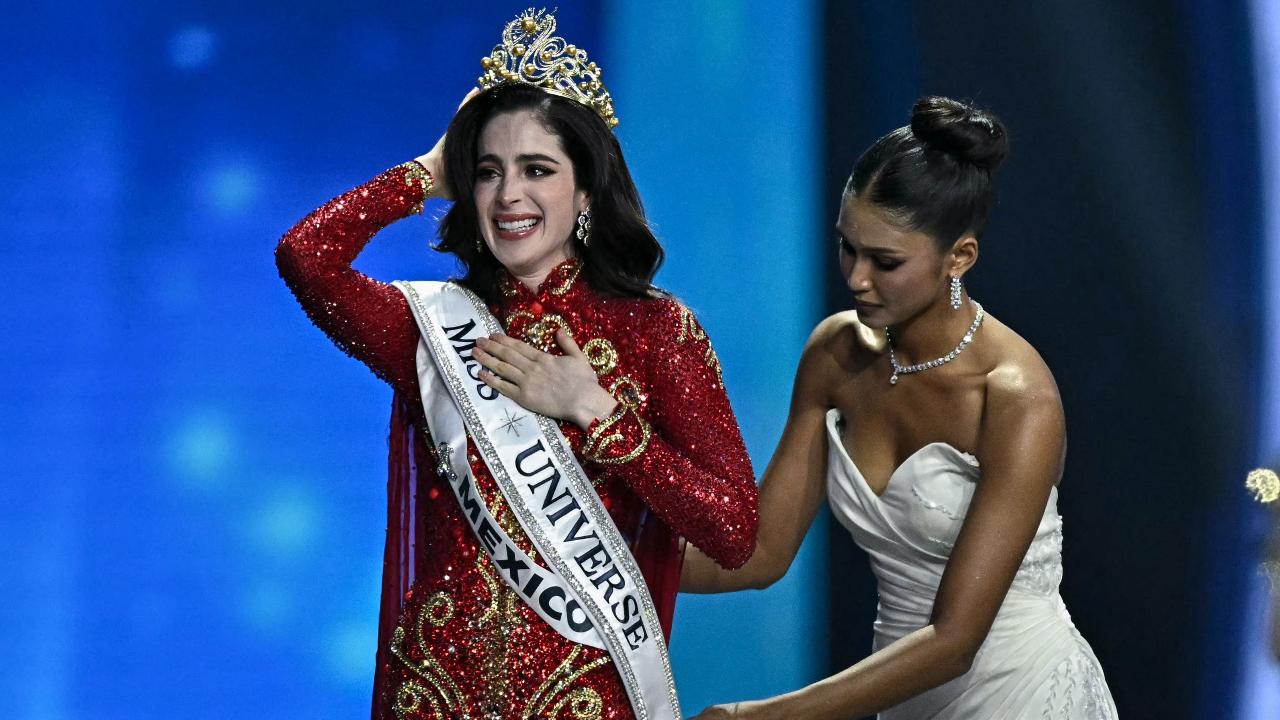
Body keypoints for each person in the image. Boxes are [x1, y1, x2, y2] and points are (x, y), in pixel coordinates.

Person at [274, 9, 758, 720]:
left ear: (586, 189)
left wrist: (599, 414)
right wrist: (424, 174)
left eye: (537, 170)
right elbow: (305, 258)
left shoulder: (657, 332)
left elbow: (734, 531)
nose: (508, 196)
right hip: (437, 696)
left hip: (583, 700)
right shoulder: (431, 328)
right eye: (487, 173)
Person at [682, 96, 1118, 719]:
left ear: (959, 257)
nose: (856, 278)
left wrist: (762, 716)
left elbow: (954, 642)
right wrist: (596, 564)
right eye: (847, 248)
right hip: (902, 694)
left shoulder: (1016, 396)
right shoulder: (835, 354)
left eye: (885, 262)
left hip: (1020, 692)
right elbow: (761, 552)